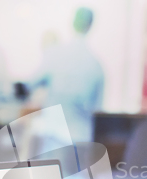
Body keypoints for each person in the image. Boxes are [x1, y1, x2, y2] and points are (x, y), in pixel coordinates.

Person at [26, 7, 104, 149]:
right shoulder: (96, 65)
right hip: (81, 138)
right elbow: (98, 107)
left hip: (54, 137)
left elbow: (29, 85)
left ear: (72, 22)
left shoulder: (55, 55)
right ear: (91, 25)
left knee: (51, 170)